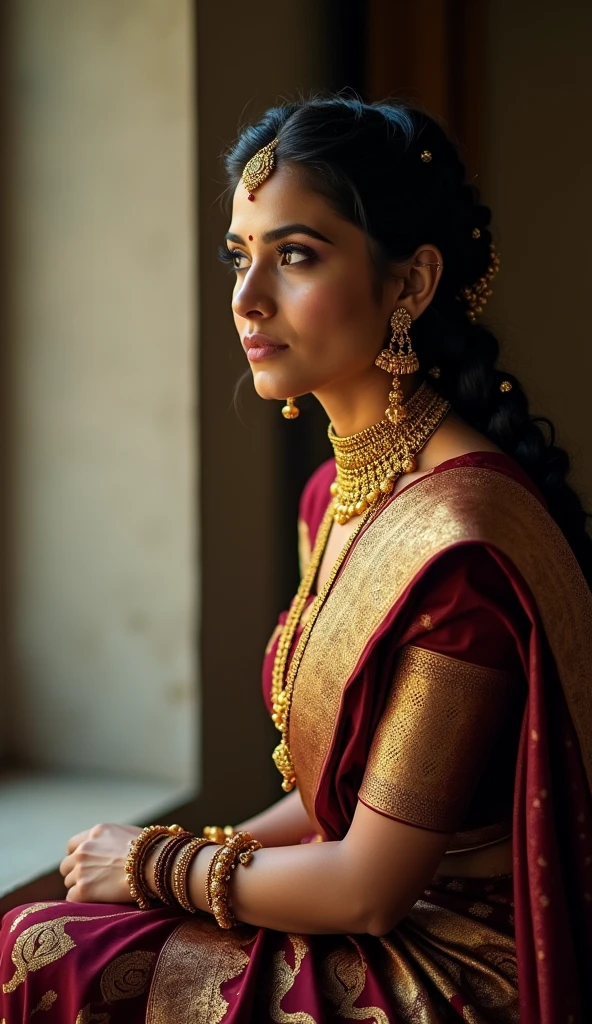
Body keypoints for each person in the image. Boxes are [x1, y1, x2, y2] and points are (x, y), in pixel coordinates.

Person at [1, 96, 591, 1024]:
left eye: (297, 255)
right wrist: (185, 859)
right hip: (378, 907)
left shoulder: (456, 550)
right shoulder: (338, 494)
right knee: (65, 926)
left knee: (38, 953)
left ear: (410, 284)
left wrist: (160, 865)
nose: (246, 298)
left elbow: (367, 886)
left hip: (457, 954)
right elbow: (331, 801)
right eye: (241, 255)